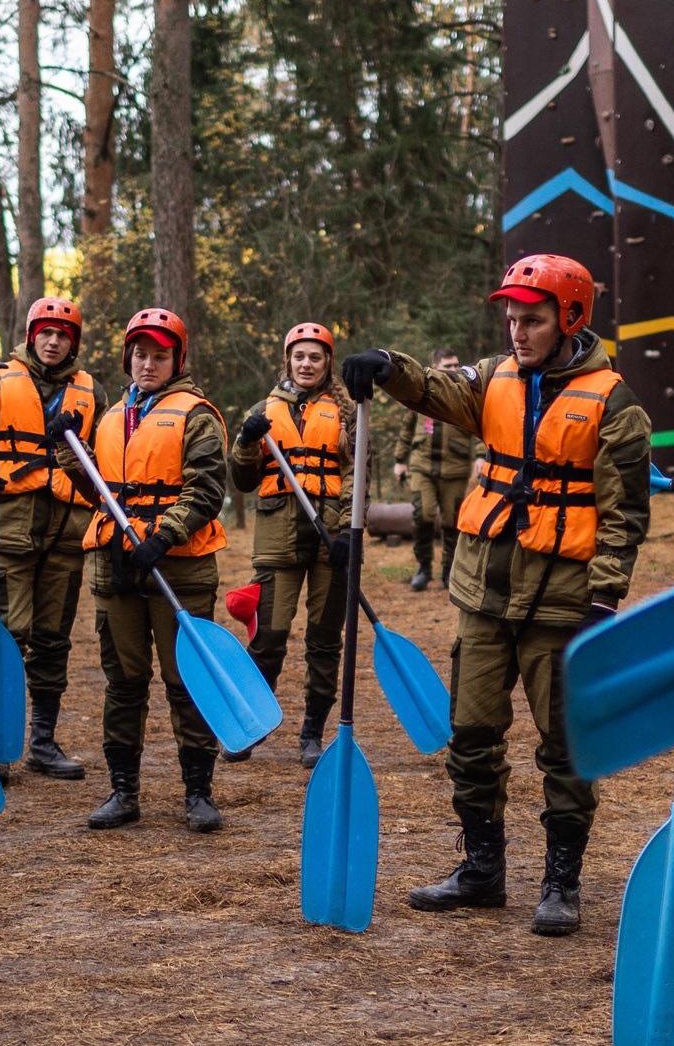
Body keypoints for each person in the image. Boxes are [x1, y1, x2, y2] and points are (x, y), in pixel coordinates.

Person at [342, 256, 651, 936]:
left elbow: (625, 518)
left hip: (563, 604)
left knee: (565, 744)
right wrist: (386, 365)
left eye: (532, 319)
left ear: (570, 318)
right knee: (472, 737)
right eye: (510, 317)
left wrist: (604, 603)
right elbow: (431, 388)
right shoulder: (491, 379)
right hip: (482, 592)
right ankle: (482, 870)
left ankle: (560, 883)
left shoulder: (613, 402)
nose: (517, 330)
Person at [56, 307, 231, 831]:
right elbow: (100, 490)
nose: (147, 364)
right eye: (140, 354)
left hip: (177, 565)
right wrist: (69, 451)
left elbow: (207, 490)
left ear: (177, 358)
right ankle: (123, 790)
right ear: (128, 357)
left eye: (159, 355)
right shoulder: (113, 417)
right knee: (124, 681)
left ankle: (198, 792)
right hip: (117, 564)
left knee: (185, 682)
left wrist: (162, 536)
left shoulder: (197, 414)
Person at [0, 295, 101, 780]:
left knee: (52, 639)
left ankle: (42, 742)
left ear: (72, 342)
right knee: (9, 637)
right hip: (8, 528)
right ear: (32, 335)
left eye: (63, 335)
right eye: (46, 333)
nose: (53, 342)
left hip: (65, 530)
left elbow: (101, 459)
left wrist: (75, 451)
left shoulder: (89, 390)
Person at [228, 321, 353, 768]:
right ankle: (249, 724)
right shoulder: (264, 410)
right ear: (287, 360)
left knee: (323, 639)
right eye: (299, 356)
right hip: (278, 538)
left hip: (329, 542)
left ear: (327, 363)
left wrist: (345, 532)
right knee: (268, 637)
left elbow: (356, 476)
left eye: (315, 357)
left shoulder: (346, 411)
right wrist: (245, 441)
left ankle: (312, 733)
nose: (306, 364)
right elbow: (242, 480)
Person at [397, 349, 472, 592]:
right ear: (435, 366)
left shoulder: (467, 393)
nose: (453, 369)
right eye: (448, 365)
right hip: (422, 467)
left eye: (456, 364)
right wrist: (400, 460)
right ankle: (423, 568)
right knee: (424, 515)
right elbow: (407, 428)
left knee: (452, 521)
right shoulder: (420, 391)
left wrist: (482, 456)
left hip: (455, 468)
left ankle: (449, 571)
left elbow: (481, 424)